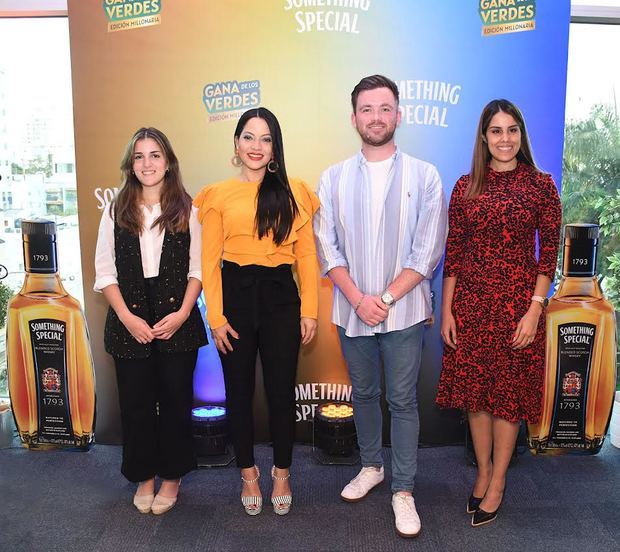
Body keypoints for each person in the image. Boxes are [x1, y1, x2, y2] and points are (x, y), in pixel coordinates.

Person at [314, 75, 447, 538]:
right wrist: (357, 299)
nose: (376, 117)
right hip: (352, 311)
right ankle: (372, 467)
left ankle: (404, 489)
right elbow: (327, 248)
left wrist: (385, 299)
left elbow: (427, 251)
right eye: (367, 109)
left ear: (399, 114)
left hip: (405, 311)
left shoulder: (425, 176)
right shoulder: (331, 178)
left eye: (385, 108)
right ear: (354, 118)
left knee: (403, 400)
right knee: (366, 395)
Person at [435, 99, 562, 527]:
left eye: (512, 130)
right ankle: (483, 471)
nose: (504, 139)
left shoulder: (541, 186)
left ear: (521, 135)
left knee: (508, 400)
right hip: (471, 306)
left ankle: (500, 479)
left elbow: (549, 258)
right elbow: (454, 253)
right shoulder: (465, 186)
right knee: (476, 397)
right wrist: (447, 309)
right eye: (496, 131)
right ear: (484, 137)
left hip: (518, 310)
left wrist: (534, 309)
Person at [193, 107, 319, 516]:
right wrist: (216, 317)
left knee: (282, 392)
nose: (256, 146)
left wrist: (311, 311)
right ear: (236, 144)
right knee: (239, 393)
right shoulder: (217, 195)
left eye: (265, 139)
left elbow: (307, 257)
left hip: (282, 296)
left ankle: (282, 472)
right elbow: (210, 263)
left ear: (275, 147)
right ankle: (248, 473)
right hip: (235, 299)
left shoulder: (294, 191)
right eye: (248, 137)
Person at [94, 127, 207, 515]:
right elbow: (105, 273)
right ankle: (144, 477)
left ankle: (172, 478)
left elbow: (198, 271)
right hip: (129, 321)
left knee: (176, 403)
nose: (147, 163)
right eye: (139, 156)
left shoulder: (188, 209)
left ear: (168, 162)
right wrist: (127, 318)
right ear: (131, 164)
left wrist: (182, 314)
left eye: (155, 155)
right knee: (137, 405)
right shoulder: (115, 210)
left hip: (178, 318)